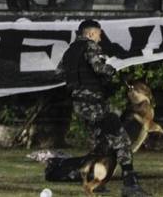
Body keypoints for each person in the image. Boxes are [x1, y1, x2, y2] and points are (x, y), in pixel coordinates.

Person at [56, 20, 150, 196]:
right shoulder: (90, 46)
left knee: (102, 144)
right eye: (99, 34)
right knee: (121, 140)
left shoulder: (70, 51)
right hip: (94, 104)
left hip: (80, 105)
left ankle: (94, 181)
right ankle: (130, 184)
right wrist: (112, 70)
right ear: (90, 34)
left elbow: (59, 72)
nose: (100, 38)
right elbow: (99, 68)